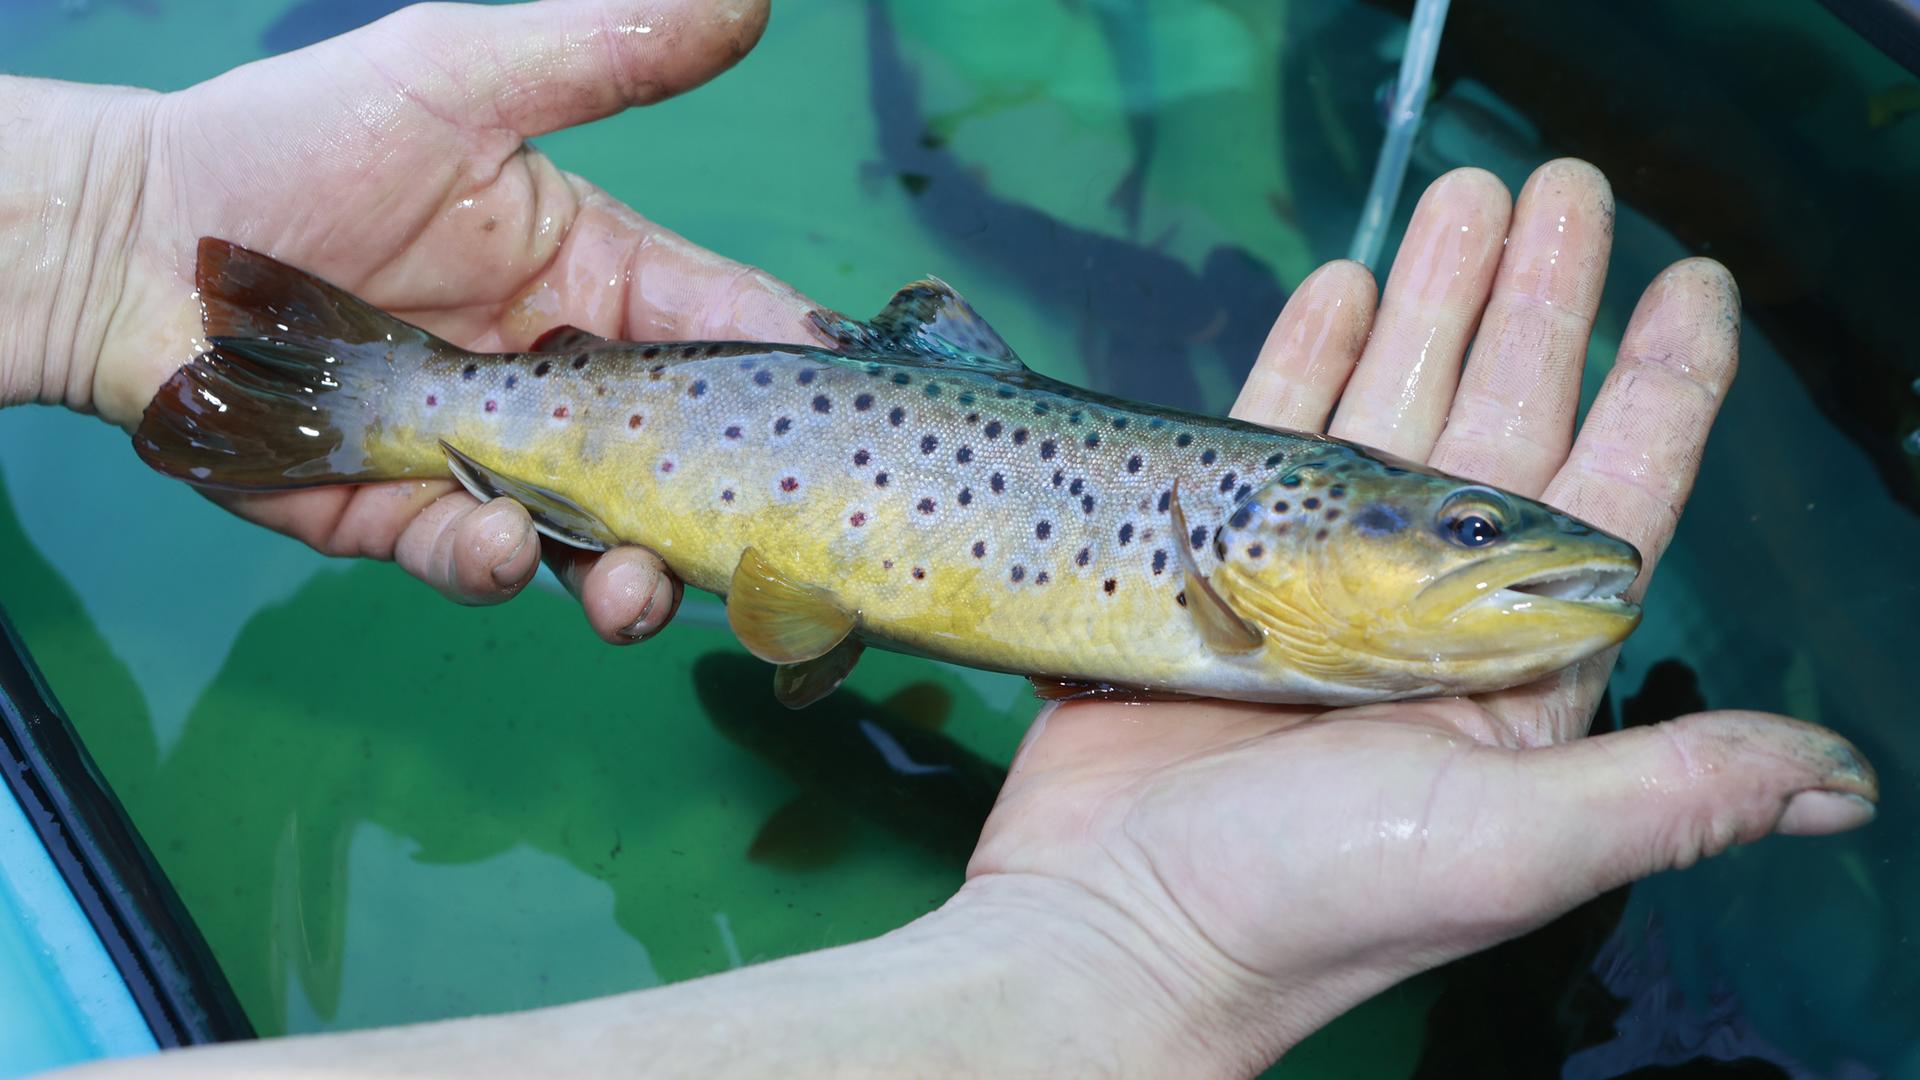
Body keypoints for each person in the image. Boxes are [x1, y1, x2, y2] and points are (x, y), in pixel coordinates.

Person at [1, 1, 1878, 1076]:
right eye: (1460, 526)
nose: (1507, 552)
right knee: (505, 450)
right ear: (1282, 520)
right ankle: (379, 391)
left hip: (704, 453)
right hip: (634, 437)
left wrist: (96, 233)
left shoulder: (1270, 575)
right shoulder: (1220, 553)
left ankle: (362, 384)